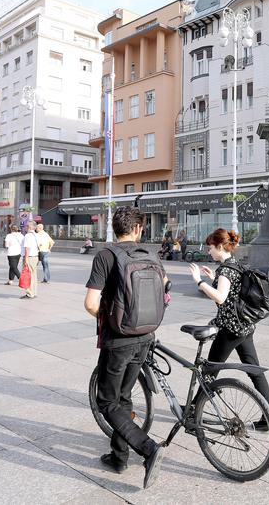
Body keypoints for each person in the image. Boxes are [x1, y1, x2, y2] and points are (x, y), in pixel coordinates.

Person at [84, 206, 167, 488]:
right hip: (145, 337)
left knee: (107, 401)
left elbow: (91, 304)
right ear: (138, 229)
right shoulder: (151, 255)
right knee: (125, 396)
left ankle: (148, 449)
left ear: (115, 228)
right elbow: (165, 288)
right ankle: (119, 456)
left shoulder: (106, 256)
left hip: (118, 340)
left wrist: (109, 316)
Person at [189, 228, 269, 429]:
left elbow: (221, 297)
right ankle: (268, 417)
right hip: (245, 327)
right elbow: (233, 292)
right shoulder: (236, 265)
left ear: (220, 247)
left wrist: (199, 281)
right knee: (255, 371)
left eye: (210, 247)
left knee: (210, 368)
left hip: (231, 329)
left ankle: (194, 410)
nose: (209, 251)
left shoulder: (226, 270)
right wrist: (214, 280)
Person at [21, 222, 39, 299]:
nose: (25, 227)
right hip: (35, 257)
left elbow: (27, 248)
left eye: (26, 226)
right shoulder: (36, 235)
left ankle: (29, 293)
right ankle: (34, 292)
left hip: (30, 257)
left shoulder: (28, 236)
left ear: (29, 227)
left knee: (28, 275)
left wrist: (26, 259)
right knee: (34, 275)